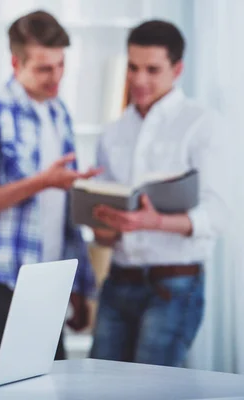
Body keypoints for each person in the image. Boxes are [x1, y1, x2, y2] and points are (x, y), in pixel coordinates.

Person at [0, 10, 99, 362]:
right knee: (5, 385)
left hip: (49, 278)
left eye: (61, 65)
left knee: (52, 381)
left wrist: (78, 284)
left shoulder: (59, 113)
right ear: (16, 63)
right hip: (0, 278)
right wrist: (41, 182)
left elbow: (63, 210)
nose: (56, 77)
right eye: (45, 68)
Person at [89, 20, 227, 366]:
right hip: (118, 283)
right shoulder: (113, 132)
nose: (138, 80)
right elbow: (105, 234)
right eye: (133, 67)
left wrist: (154, 221)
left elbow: (218, 214)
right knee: (98, 387)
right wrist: (104, 224)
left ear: (177, 69)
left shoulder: (203, 124)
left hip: (174, 287)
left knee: (151, 390)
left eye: (152, 69)